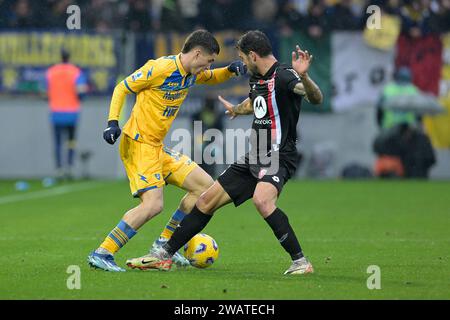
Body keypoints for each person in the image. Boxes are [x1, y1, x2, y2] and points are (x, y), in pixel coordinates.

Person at [126, 30, 323, 275]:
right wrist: (238, 110)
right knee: (206, 200)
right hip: (256, 154)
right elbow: (257, 103)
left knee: (262, 200)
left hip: (278, 155)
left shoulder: (286, 76)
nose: (241, 63)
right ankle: (163, 255)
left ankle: (301, 262)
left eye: (242, 57)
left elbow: (315, 98)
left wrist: (305, 77)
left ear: (252, 55)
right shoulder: (258, 78)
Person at [87, 30, 246, 272]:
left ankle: (163, 245)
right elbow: (122, 88)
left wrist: (229, 71)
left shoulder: (191, 73)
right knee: (152, 205)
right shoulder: (160, 68)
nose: (208, 66)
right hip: (139, 144)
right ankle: (103, 252)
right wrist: (112, 122)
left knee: (204, 187)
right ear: (197, 53)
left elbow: (211, 77)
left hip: (157, 147)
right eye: (209, 60)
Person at [46, 49, 88, 179]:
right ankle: (69, 166)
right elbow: (81, 90)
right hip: (71, 112)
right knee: (71, 141)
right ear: (69, 57)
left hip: (56, 111)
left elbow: (45, 90)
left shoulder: (51, 72)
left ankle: (59, 168)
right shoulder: (75, 71)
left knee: (58, 142)